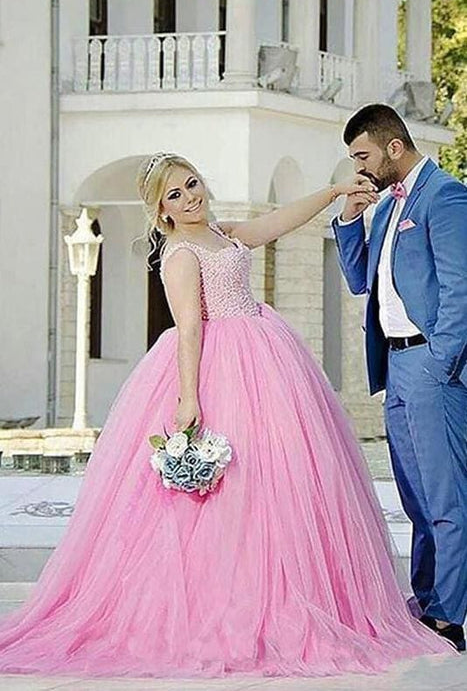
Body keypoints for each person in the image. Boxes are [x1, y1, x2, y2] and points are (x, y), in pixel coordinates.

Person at [0, 153, 453, 679]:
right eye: (174, 195)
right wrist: (188, 399)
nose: (189, 197)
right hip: (221, 370)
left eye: (191, 184)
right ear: (162, 211)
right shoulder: (180, 254)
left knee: (279, 485)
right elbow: (189, 328)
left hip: (266, 358)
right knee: (231, 494)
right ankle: (228, 603)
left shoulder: (220, 232)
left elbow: (273, 223)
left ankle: (287, 594)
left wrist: (332, 194)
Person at [332, 104, 467, 652]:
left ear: (393, 147)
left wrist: (442, 360)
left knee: (446, 498)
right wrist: (349, 218)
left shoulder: (446, 196)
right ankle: (427, 601)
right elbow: (359, 279)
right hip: (395, 365)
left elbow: (461, 289)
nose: (358, 167)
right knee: (414, 498)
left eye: (362, 155)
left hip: (431, 366)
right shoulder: (387, 205)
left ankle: (449, 616)